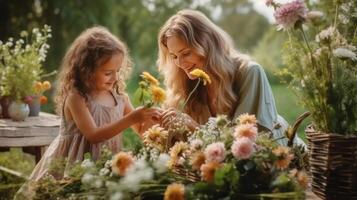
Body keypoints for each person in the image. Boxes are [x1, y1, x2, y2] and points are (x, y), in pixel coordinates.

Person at [28, 26, 161, 181]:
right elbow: (93, 135)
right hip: (72, 165)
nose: (115, 77)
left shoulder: (120, 98)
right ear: (87, 70)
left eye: (118, 71)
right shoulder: (77, 97)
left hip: (105, 166)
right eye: (108, 73)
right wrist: (133, 117)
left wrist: (152, 121)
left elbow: (139, 128)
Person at [158, 9, 303, 146]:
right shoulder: (189, 84)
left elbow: (248, 144)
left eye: (186, 53)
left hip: (283, 163)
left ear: (206, 44)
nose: (180, 63)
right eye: (174, 56)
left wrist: (193, 127)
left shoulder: (249, 72)